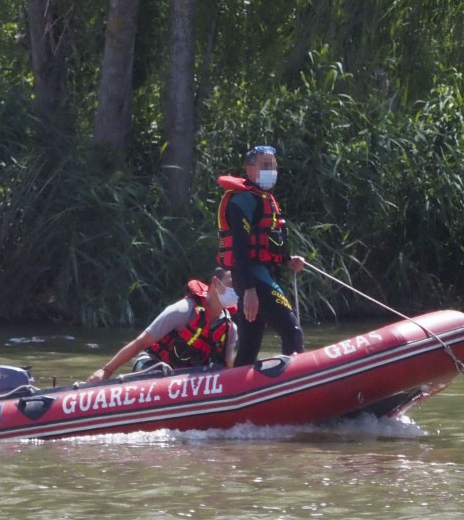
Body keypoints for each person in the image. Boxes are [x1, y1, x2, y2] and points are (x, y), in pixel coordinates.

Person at [216, 144, 305, 366]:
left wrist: (287, 260)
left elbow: (267, 244)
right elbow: (240, 249)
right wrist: (249, 290)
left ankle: (237, 392)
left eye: (273, 166)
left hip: (260, 276)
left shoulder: (264, 199)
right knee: (291, 330)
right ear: (249, 170)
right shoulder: (242, 200)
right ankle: (294, 390)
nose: (271, 171)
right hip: (251, 279)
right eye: (265, 166)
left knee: (250, 342)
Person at [86, 267, 239, 382]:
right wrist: (106, 371)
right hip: (152, 366)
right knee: (161, 371)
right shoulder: (183, 310)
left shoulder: (230, 329)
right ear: (214, 283)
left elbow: (227, 367)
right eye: (232, 284)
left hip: (188, 380)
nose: (237, 290)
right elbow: (141, 342)